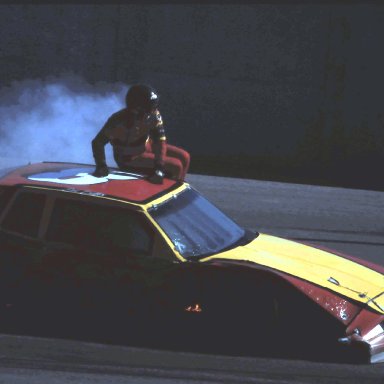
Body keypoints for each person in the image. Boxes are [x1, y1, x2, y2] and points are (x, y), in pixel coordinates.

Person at [91, 84, 190, 184]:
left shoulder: (153, 114)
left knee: (185, 157)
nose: (154, 110)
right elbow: (98, 142)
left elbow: (159, 141)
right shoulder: (118, 121)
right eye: (150, 107)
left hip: (145, 147)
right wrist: (101, 165)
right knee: (176, 166)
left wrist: (159, 166)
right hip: (129, 158)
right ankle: (169, 192)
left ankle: (178, 185)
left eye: (154, 106)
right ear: (137, 109)